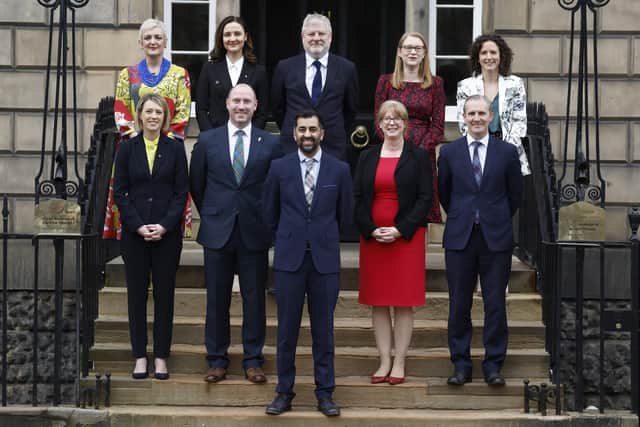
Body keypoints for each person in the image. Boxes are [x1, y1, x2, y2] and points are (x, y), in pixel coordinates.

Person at [189, 84, 283, 385]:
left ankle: (253, 360)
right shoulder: (207, 140)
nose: (241, 106)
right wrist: (214, 212)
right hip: (217, 230)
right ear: (227, 104)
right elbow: (197, 184)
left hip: (254, 230)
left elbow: (274, 188)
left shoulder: (270, 143)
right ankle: (217, 359)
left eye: (247, 101)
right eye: (236, 101)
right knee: (217, 299)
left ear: (256, 106)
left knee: (254, 299)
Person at [262, 111, 354, 417]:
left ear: (322, 134)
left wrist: (322, 237)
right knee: (286, 331)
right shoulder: (279, 168)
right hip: (289, 259)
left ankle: (325, 392)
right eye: (302, 129)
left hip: (324, 260)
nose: (307, 134)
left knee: (323, 331)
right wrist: (289, 237)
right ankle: (284, 392)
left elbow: (346, 214)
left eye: (313, 129)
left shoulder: (339, 169)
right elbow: (269, 212)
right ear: (294, 133)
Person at [438, 95, 523, 387]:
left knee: (495, 303)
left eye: (481, 113)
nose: (476, 118)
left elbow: (515, 196)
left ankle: (493, 364)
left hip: (495, 238)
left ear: (491, 117)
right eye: (471, 113)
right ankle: (461, 364)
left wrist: (491, 216)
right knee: (459, 304)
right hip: (461, 238)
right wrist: (466, 216)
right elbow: (444, 193)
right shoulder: (449, 153)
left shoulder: (507, 152)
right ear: (463, 117)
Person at [354, 100, 432, 385]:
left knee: (402, 302)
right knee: (378, 302)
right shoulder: (367, 156)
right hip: (374, 238)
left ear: (405, 123)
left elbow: (426, 199)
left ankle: (400, 361)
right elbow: (358, 198)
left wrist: (400, 229)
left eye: (397, 118)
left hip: (406, 239)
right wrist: (371, 229)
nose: (391, 123)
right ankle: (383, 359)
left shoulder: (419, 156)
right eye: (386, 118)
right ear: (379, 124)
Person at [113, 93, 189, 381]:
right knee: (136, 297)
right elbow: (119, 191)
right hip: (136, 236)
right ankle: (140, 357)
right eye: (148, 112)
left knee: (164, 296)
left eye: (158, 112)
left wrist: (166, 225)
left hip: (167, 236)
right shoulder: (127, 149)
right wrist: (137, 225)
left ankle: (160, 357)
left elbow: (182, 192)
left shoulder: (175, 148)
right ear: (140, 116)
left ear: (164, 117)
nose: (153, 116)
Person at [105, 18, 193, 239]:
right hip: (134, 146)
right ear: (140, 42)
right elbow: (122, 110)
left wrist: (163, 139)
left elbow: (182, 112)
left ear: (165, 42)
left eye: (158, 37)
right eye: (148, 38)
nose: (153, 41)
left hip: (169, 147)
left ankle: (165, 231)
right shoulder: (128, 74)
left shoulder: (179, 74)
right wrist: (138, 138)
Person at [374, 32, 444, 224]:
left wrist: (417, 152)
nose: (413, 52)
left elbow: (438, 126)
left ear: (424, 54)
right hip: (392, 151)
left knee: (419, 206)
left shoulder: (436, 84)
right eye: (408, 48)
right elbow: (379, 122)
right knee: (393, 201)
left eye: (418, 48)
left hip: (423, 152)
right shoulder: (385, 82)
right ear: (400, 52)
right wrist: (397, 147)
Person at [271, 13, 359, 160]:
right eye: (311, 34)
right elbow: (277, 108)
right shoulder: (285, 67)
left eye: (321, 34)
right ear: (303, 37)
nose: (316, 38)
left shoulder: (347, 69)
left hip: (332, 147)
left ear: (330, 37)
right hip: (293, 147)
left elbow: (351, 109)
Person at [456, 33, 530, 176]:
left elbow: (519, 124)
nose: (489, 57)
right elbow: (463, 124)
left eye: (493, 52)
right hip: (476, 151)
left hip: (508, 150)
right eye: (484, 53)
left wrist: (502, 152)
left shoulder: (515, 84)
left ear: (501, 55)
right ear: (478, 57)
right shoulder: (465, 86)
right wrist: (483, 149)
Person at [196, 15, 268, 131]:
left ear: (245, 37)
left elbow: (262, 113)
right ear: (221, 38)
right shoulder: (209, 68)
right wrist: (210, 138)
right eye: (227, 35)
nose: (232, 38)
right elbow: (201, 109)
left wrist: (249, 138)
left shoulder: (259, 72)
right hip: (215, 140)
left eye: (237, 34)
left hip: (246, 141)